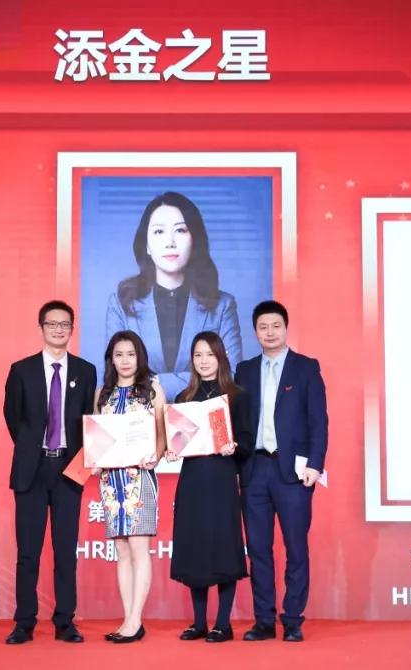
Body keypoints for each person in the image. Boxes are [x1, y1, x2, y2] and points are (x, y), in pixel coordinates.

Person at [3, 300, 98, 645]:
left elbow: (88, 420)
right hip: (32, 468)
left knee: (65, 551)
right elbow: (14, 418)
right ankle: (24, 622)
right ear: (41, 327)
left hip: (69, 469)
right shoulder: (22, 370)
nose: (59, 329)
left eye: (65, 324)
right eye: (52, 324)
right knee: (28, 552)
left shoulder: (85, 371)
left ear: (72, 329)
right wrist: (33, 449)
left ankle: (65, 621)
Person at [234, 300, 327, 643]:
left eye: (276, 326)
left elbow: (319, 421)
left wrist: (315, 464)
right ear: (255, 332)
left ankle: (292, 619)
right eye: (263, 327)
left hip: (293, 472)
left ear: (286, 328)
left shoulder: (306, 368)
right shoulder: (244, 371)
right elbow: (235, 420)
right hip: (254, 468)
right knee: (258, 549)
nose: (270, 332)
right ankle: (263, 620)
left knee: (295, 548)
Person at [106, 191, 242, 400]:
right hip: (141, 416)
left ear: (194, 239)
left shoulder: (222, 305)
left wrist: (156, 382)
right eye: (159, 231)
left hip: (201, 413)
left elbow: (230, 374)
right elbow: (114, 373)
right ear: (146, 245)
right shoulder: (122, 303)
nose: (170, 242)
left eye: (180, 230)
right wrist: (193, 379)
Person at [166, 331, 249, 643]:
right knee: (195, 548)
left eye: (210, 355)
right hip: (192, 481)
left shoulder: (236, 395)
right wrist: (171, 450)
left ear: (221, 357)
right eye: (198, 355)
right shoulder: (183, 399)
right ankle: (199, 622)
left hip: (222, 480)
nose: (204, 361)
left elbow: (247, 441)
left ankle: (223, 623)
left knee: (223, 548)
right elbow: (176, 441)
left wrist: (234, 446)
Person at [94, 330, 166, 643]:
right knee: (121, 550)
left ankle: (136, 621)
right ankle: (127, 619)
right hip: (111, 481)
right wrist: (96, 459)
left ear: (140, 357)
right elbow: (97, 435)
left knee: (139, 548)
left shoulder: (152, 389)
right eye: (119, 355)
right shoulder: (102, 394)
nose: (125, 360)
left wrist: (156, 456)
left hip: (140, 478)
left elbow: (163, 432)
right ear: (111, 359)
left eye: (131, 354)